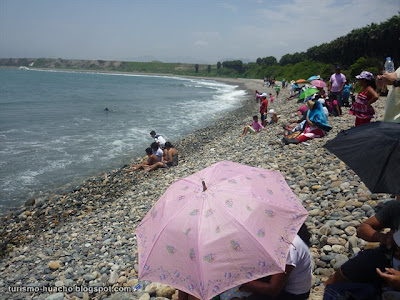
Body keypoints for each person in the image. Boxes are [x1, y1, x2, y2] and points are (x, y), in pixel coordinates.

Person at [324, 200, 400, 299]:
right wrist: (382, 238)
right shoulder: (396, 207)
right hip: (389, 256)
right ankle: (324, 290)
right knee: (355, 266)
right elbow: (363, 228)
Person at [235, 223, 312, 300]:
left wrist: (242, 280)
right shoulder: (281, 235)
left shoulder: (288, 247)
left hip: (293, 294)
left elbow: (273, 290)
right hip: (285, 283)